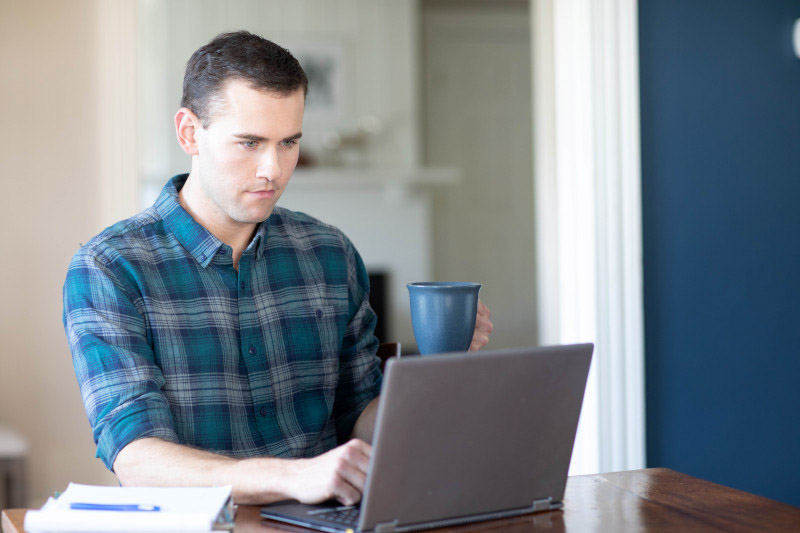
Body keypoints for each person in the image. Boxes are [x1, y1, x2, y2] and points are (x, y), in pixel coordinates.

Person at [63, 31, 493, 507]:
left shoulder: (331, 254)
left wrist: (438, 369)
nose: (274, 169)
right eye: (250, 142)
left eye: (288, 142)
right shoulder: (111, 268)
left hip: (330, 520)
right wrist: (292, 477)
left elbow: (361, 417)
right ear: (189, 132)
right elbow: (138, 458)